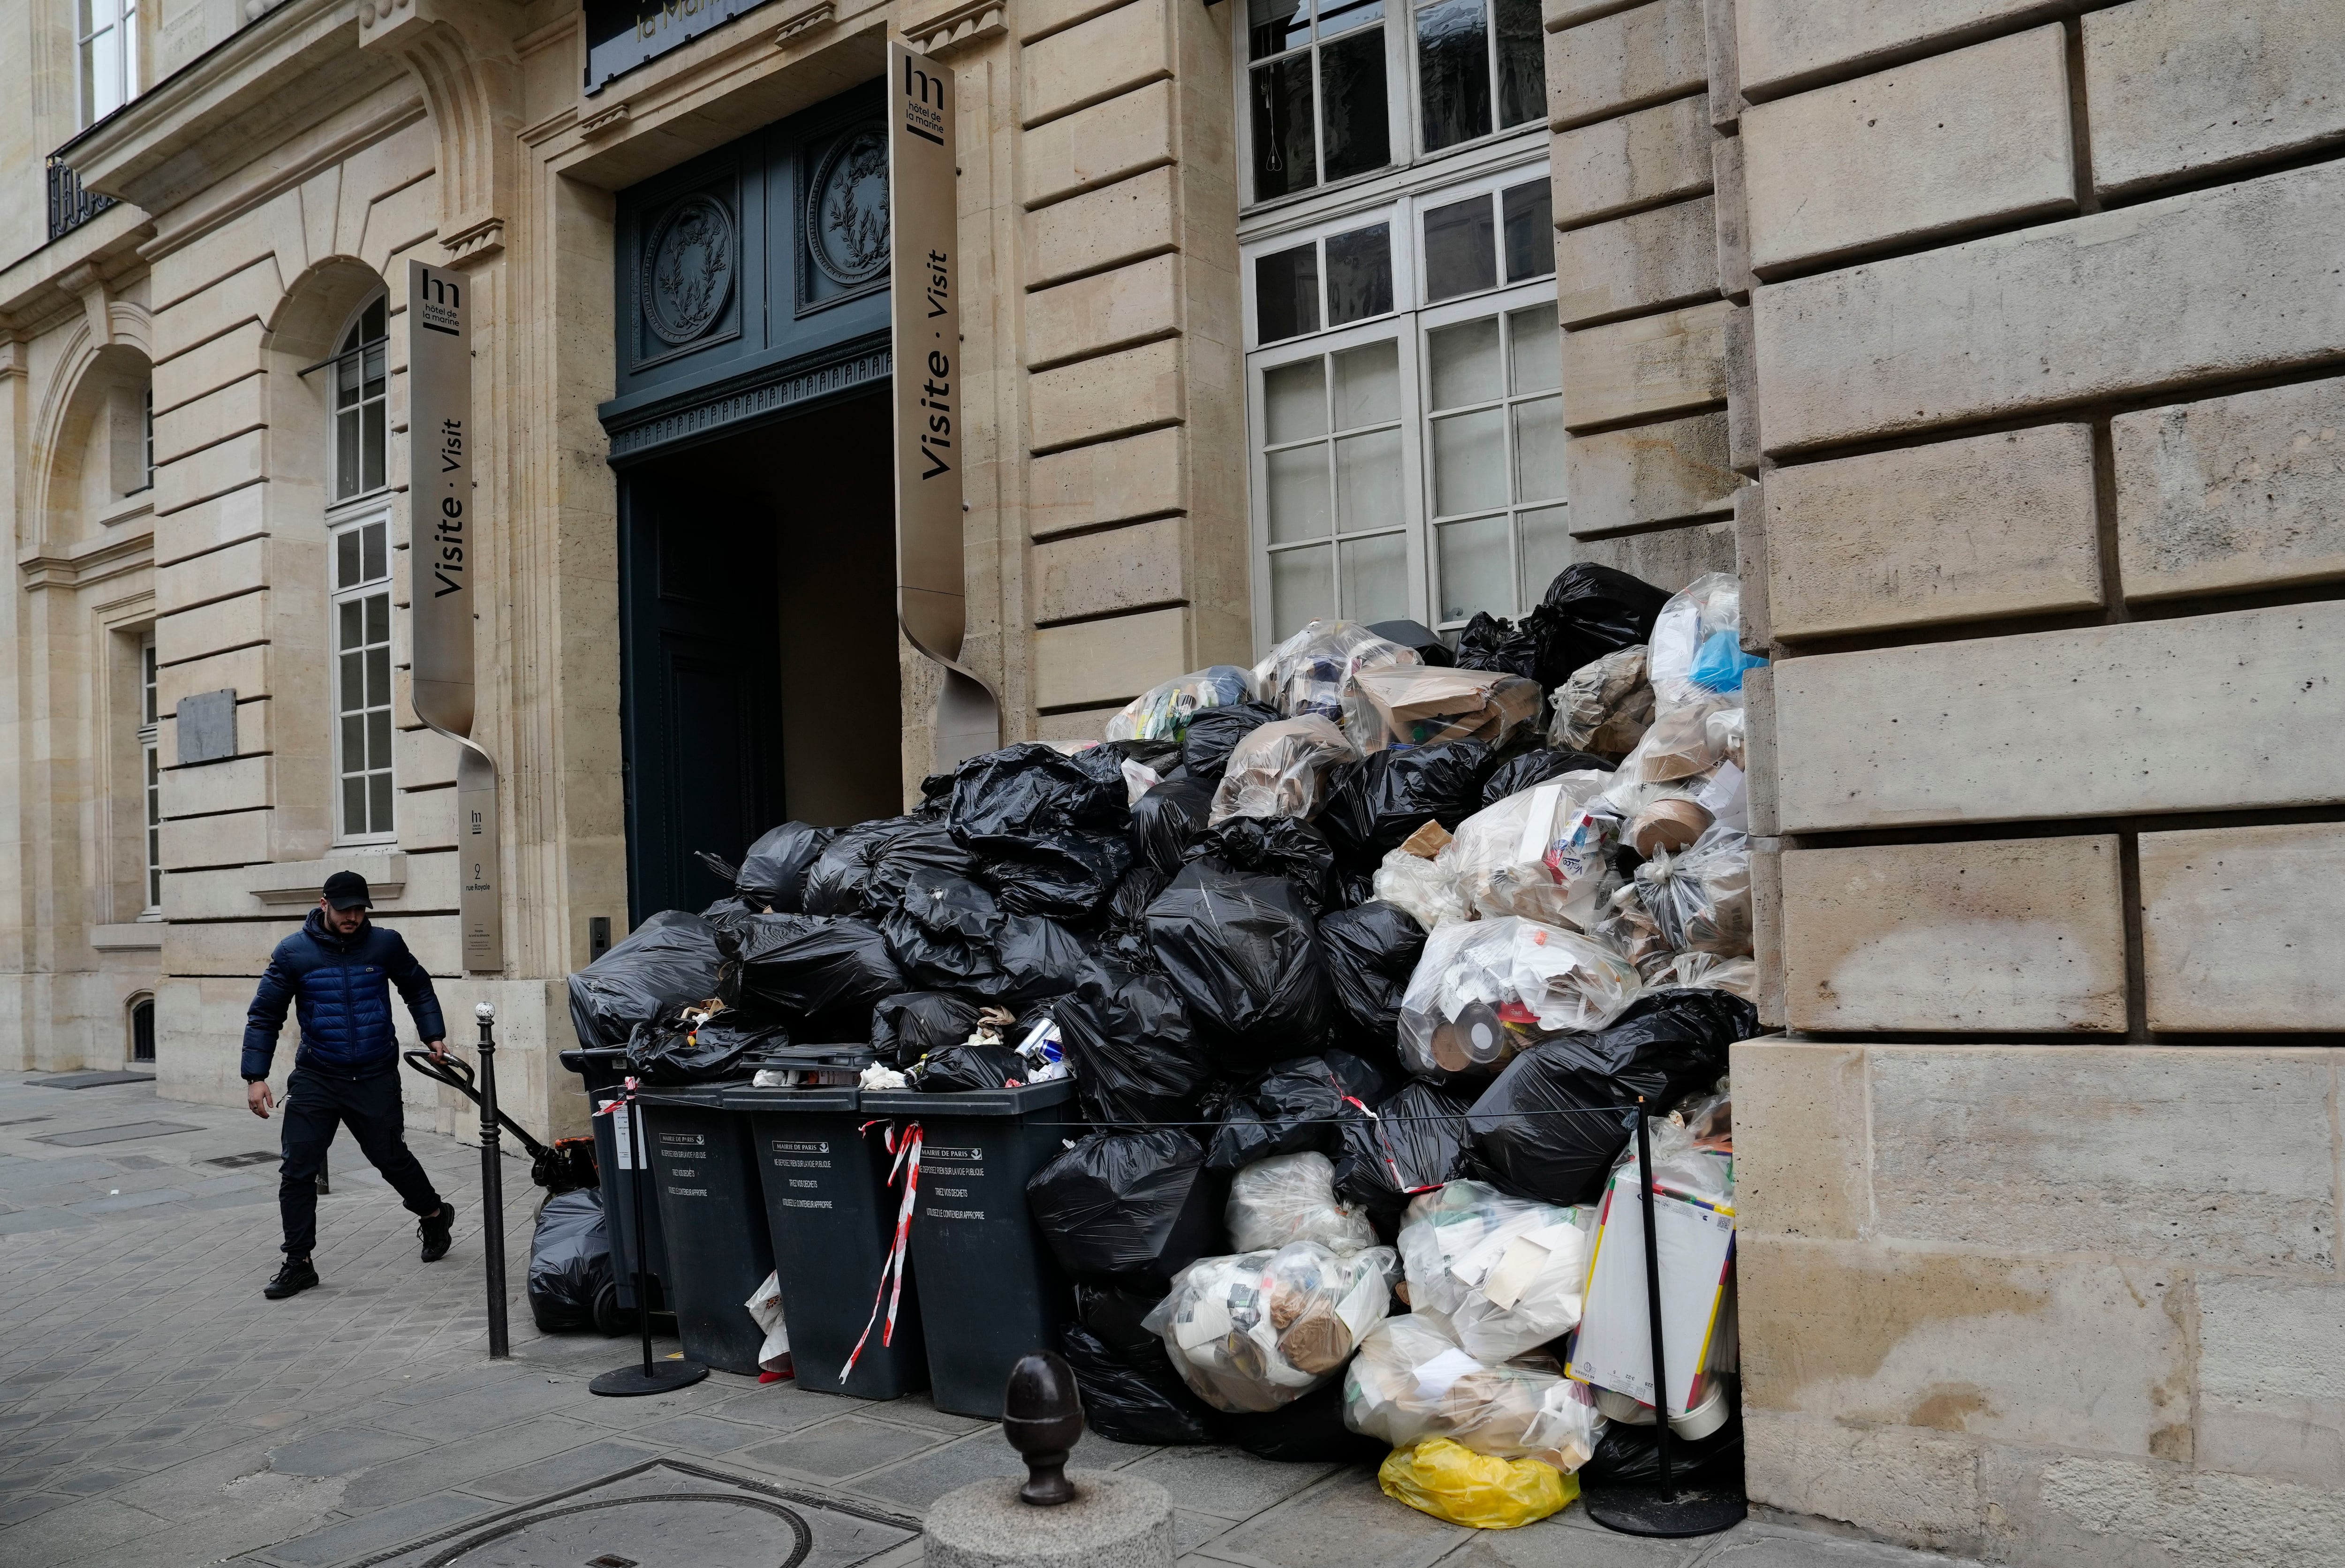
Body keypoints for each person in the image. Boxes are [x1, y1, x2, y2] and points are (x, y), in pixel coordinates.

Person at [242, 870, 458, 1299]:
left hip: (374, 1073)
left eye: (361, 909)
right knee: (297, 1168)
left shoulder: (385, 944)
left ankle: (434, 1213)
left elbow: (417, 986)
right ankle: (298, 1261)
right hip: (317, 1076)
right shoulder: (292, 952)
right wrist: (256, 1076)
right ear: (324, 904)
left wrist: (433, 1033)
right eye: (346, 909)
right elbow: (265, 1014)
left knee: (390, 1157)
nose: (354, 917)